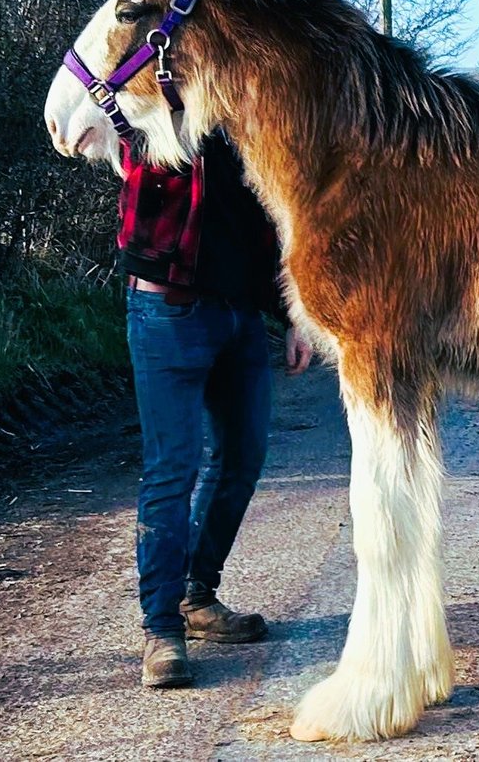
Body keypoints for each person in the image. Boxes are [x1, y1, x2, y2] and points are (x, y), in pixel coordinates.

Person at [118, 128, 312, 687]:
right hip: (167, 313)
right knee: (171, 469)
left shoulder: (256, 121)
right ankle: (161, 630)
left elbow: (272, 224)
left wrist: (293, 314)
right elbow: (126, 136)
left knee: (242, 460)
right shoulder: (157, 115)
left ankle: (196, 596)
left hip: (240, 317)